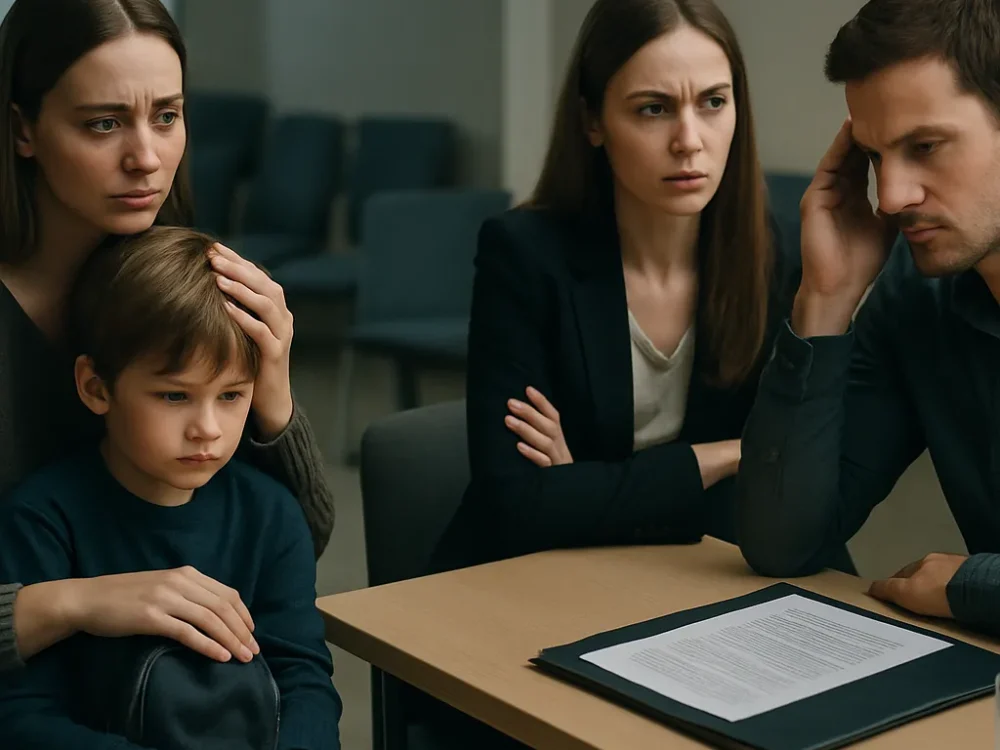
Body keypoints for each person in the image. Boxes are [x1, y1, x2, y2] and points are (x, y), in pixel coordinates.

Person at [430, 0, 853, 575]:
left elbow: (786, 493)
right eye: (653, 109)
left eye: (712, 103)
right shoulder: (524, 254)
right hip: (527, 579)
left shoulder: (776, 257)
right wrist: (725, 456)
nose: (689, 140)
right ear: (593, 121)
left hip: (687, 585)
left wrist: (585, 488)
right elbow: (516, 503)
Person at [0, 0, 334, 675]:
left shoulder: (189, 279)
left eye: (167, 117)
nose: (147, 158)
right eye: (102, 123)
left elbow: (294, 542)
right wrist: (75, 603)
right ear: (22, 130)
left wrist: (272, 392)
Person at [0, 226, 342, 749]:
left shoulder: (271, 512)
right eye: (174, 397)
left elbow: (305, 683)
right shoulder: (40, 519)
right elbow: (22, 718)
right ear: (96, 387)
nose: (207, 428)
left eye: (231, 396)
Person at [736, 0, 1000, 633]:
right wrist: (824, 302)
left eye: (926, 146)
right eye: (877, 157)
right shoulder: (917, 299)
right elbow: (782, 544)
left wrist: (975, 584)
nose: (893, 196)